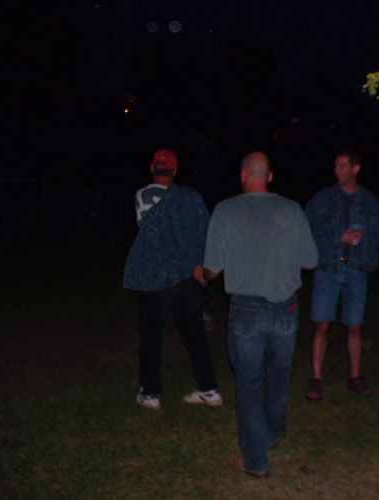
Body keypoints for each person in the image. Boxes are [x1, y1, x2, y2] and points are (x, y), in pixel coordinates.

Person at [203, 152, 318, 478]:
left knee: (250, 385)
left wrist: (203, 273)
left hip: (247, 312)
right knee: (279, 378)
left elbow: (213, 269)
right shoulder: (292, 209)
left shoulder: (225, 210)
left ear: (243, 175)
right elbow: (310, 260)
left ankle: (256, 460)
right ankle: (272, 431)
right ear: (269, 176)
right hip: (286, 310)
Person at [123, 149, 222, 411]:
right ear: (176, 171)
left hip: (157, 276)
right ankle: (209, 389)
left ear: (152, 168)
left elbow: (146, 228)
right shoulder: (191, 197)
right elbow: (205, 231)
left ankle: (150, 393)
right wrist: (202, 264)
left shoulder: (142, 195)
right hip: (188, 276)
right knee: (195, 334)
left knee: (151, 337)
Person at [304, 150, 379, 401]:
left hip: (356, 270)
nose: (337, 170)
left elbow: (378, 237)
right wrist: (339, 238)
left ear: (355, 169)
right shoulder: (322, 199)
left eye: (342, 166)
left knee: (355, 325)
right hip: (328, 268)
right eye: (336, 166)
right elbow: (309, 232)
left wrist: (367, 256)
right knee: (322, 324)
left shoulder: (370, 201)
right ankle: (317, 378)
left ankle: (356, 377)